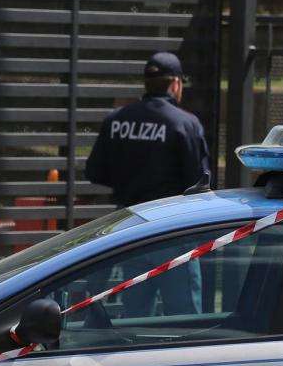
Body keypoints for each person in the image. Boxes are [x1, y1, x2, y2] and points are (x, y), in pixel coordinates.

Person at [85, 51, 210, 317]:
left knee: (134, 319)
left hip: (130, 230)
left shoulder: (116, 120)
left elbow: (94, 171)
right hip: (173, 231)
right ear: (175, 83)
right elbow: (199, 183)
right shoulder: (185, 124)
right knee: (186, 320)